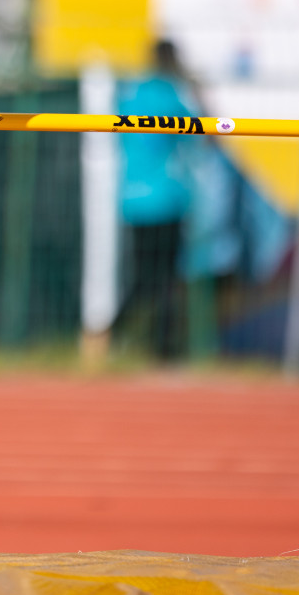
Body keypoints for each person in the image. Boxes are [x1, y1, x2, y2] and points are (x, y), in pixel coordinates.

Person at [115, 39, 201, 360]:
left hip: (132, 199)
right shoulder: (170, 95)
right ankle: (160, 348)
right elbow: (200, 136)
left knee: (144, 277)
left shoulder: (131, 94)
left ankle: (115, 336)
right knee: (164, 279)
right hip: (165, 198)